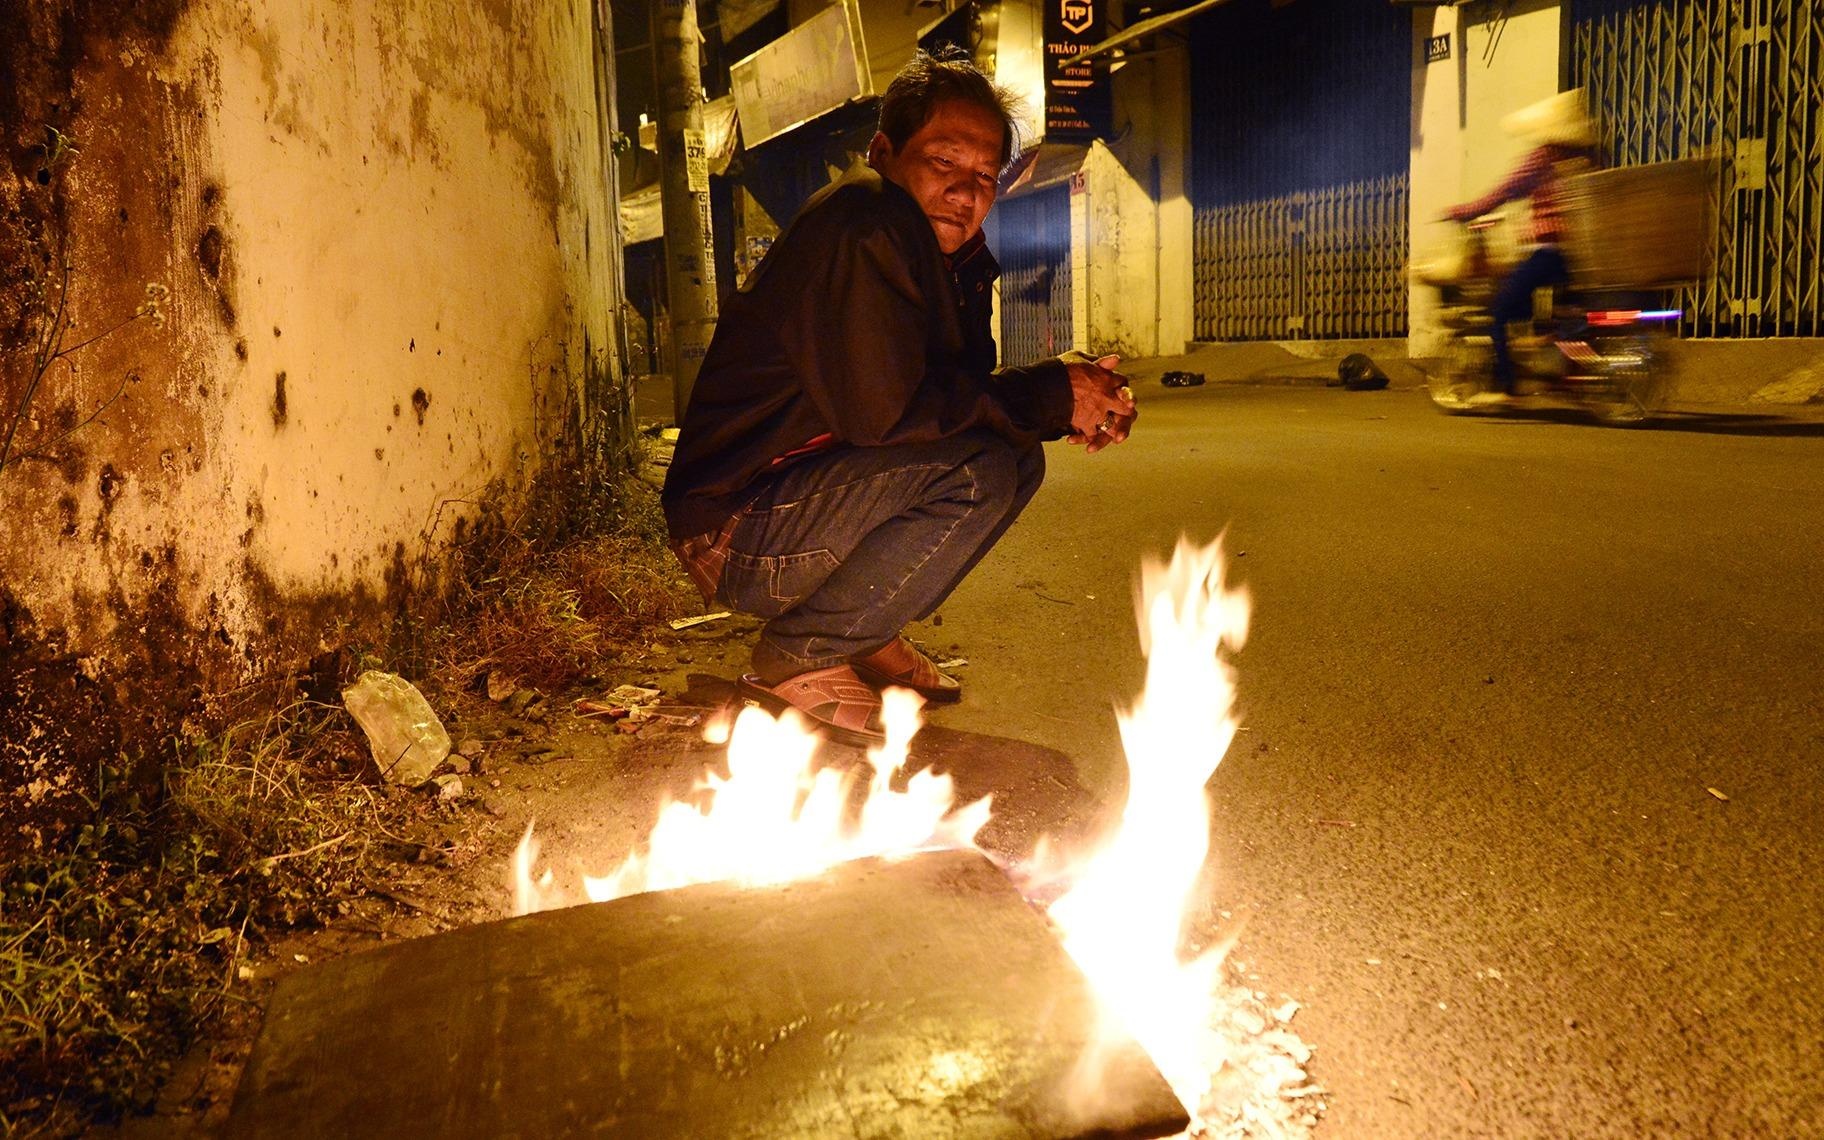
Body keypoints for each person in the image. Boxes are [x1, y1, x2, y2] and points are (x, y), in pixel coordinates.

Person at [660, 48, 1136, 747]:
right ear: (885, 151)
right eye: (944, 162)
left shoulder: (932, 251)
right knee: (978, 471)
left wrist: (1063, 398)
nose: (965, 192)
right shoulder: (865, 225)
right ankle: (798, 659)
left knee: (1012, 455)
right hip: (736, 532)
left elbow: (960, 390)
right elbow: (890, 414)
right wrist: (1048, 395)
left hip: (789, 504)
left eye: (983, 175)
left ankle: (862, 632)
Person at [1443, 88, 1598, 402]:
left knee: (1500, 312)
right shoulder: (1587, 159)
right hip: (1585, 256)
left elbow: (1503, 192)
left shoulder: (1542, 158)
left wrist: (1463, 212)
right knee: (1544, 313)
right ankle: (1553, 367)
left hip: (1549, 253)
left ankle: (1505, 385)